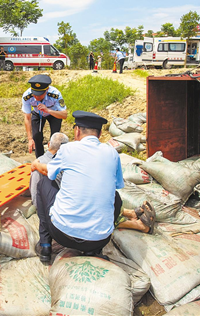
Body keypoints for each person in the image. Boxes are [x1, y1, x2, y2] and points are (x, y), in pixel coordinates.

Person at [31, 111, 154, 262]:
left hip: (63, 235)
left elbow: (47, 171)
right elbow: (117, 185)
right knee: (115, 197)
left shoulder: (68, 149)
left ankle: (45, 245)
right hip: (100, 239)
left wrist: (36, 164)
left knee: (44, 182)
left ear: (77, 131)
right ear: (100, 133)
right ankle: (94, 251)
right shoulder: (112, 153)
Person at [22, 75, 67, 159]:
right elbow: (27, 117)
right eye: (35, 94)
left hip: (54, 113)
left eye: (39, 95)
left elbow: (64, 115)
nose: (36, 97)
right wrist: (29, 139)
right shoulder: (27, 96)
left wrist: (48, 110)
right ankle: (40, 160)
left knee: (55, 138)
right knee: (36, 136)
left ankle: (54, 159)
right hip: (37, 113)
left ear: (47, 90)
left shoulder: (55, 94)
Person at [29, 132, 69, 207]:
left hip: (49, 209)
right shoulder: (68, 163)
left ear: (48, 144)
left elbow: (35, 195)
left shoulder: (38, 163)